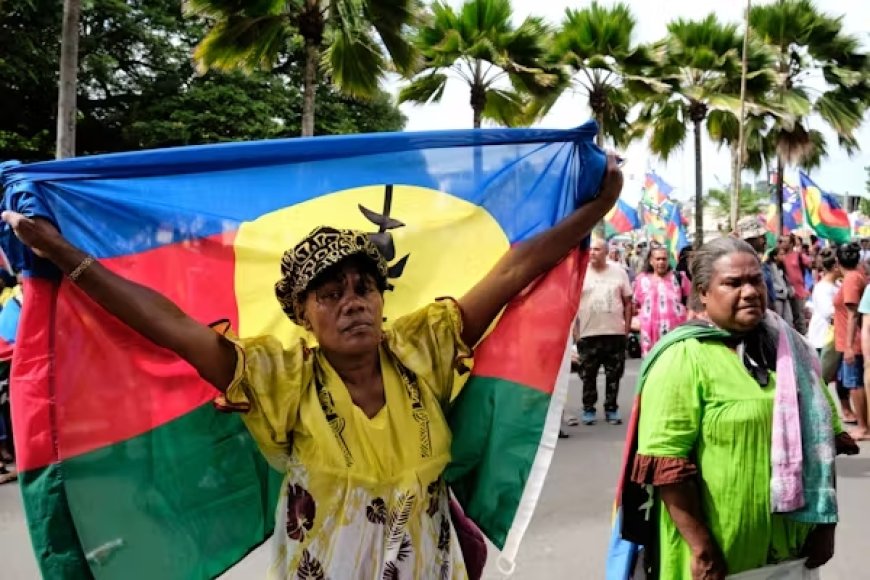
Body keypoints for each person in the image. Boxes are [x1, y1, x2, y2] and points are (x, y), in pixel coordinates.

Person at [1, 156, 624, 579]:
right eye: (329, 294)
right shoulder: (281, 378)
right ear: (302, 313)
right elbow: (169, 326)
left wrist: (596, 209)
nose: (351, 302)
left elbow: (514, 271)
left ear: (382, 297)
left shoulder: (423, 348)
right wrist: (61, 252)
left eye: (364, 287)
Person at [625, 237, 858, 580]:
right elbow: (666, 465)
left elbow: (823, 446)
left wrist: (826, 526)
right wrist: (702, 548)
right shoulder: (682, 357)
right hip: (717, 561)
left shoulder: (794, 350)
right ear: (703, 292)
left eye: (755, 280)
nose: (749, 291)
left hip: (792, 556)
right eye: (733, 283)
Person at [572, 239, 632, 426]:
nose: (592, 252)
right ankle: (588, 408)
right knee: (587, 374)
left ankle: (611, 408)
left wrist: (627, 328)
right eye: (590, 249)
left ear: (606, 252)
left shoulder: (619, 272)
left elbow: (628, 302)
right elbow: (572, 304)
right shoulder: (580, 272)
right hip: (588, 333)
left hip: (614, 332)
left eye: (597, 249)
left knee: (613, 374)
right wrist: (576, 333)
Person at [833, 242, 867, 440]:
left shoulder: (852, 279)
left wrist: (848, 347)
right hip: (849, 339)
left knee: (855, 384)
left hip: (852, 341)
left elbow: (853, 313)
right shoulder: (854, 277)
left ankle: (863, 427)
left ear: (837, 261)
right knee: (852, 382)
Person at [633, 247, 691, 357]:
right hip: (650, 338)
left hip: (675, 335)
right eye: (658, 259)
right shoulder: (641, 280)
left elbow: (691, 303)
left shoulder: (679, 277)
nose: (661, 262)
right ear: (651, 261)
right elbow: (635, 306)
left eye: (664, 259)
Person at [778, 234, 811, 334]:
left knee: (799, 317)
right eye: (781, 241)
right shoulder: (780, 257)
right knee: (789, 318)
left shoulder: (798, 255)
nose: (782, 244)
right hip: (786, 291)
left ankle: (803, 338)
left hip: (799, 291)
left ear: (791, 243)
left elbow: (810, 264)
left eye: (785, 241)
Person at [765, 247, 793, 325]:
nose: (783, 256)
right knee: (778, 318)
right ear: (775, 256)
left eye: (784, 254)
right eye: (781, 254)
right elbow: (770, 281)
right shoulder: (769, 267)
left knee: (789, 318)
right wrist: (779, 289)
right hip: (777, 296)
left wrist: (789, 289)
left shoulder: (782, 266)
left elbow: (786, 280)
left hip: (785, 295)